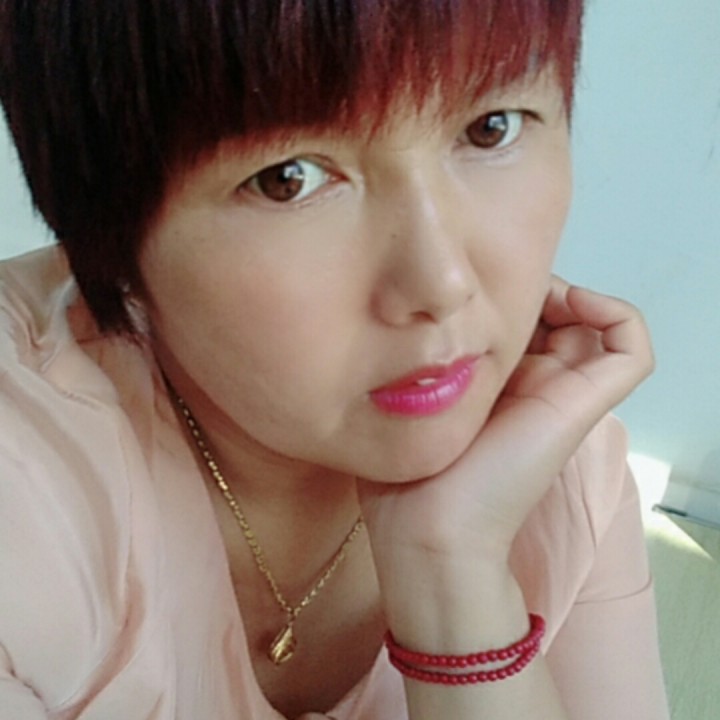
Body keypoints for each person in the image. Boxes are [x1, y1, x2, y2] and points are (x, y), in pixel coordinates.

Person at [0, 1, 670, 718]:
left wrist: (454, 579)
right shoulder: (29, 492)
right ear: (107, 233)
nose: (442, 284)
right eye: (287, 179)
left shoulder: (554, 459)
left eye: (491, 127)